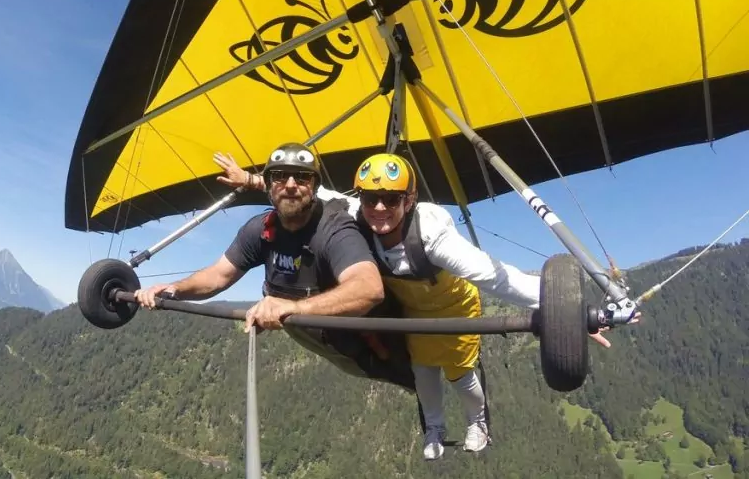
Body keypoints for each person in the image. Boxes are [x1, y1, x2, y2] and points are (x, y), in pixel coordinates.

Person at [213, 150, 630, 460]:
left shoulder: (433, 238)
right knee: (423, 374)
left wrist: (568, 309)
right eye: (371, 198)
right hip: (414, 311)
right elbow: (312, 191)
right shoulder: (359, 212)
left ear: (408, 200)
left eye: (391, 200)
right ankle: (433, 429)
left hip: (452, 309)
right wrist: (252, 181)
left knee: (461, 375)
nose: (379, 208)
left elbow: (498, 278)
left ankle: (478, 424)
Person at [135, 142, 419, 395]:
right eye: (280, 176)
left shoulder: (334, 228)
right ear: (269, 186)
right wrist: (174, 290)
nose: (291, 184)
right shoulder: (260, 230)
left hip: (373, 350)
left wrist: (292, 307)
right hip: (329, 345)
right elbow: (217, 276)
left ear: (314, 187)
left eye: (302, 177)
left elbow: (368, 288)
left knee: (418, 380)